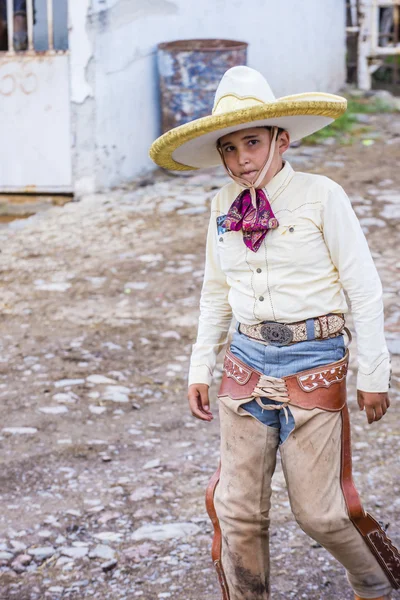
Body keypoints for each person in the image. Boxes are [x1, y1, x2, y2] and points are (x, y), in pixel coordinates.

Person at [149, 66, 399, 600]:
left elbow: (364, 286)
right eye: (230, 148)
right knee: (236, 508)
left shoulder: (321, 196)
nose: (242, 160)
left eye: (254, 143)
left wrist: (374, 371)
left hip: (315, 360)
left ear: (281, 140)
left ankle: (376, 582)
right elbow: (215, 291)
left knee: (320, 512)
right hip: (245, 360)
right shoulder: (221, 207)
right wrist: (200, 365)